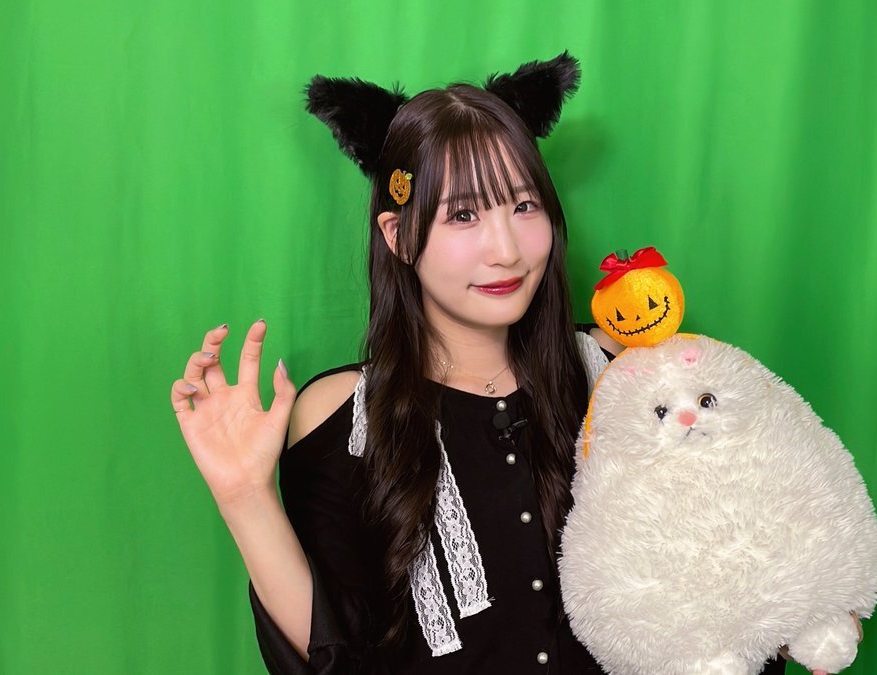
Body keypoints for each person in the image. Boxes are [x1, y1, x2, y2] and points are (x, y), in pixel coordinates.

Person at [171, 52, 790, 674]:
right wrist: (244, 496)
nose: (506, 251)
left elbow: (728, 566)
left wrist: (792, 605)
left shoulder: (628, 375)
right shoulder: (342, 416)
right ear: (398, 235)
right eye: (463, 215)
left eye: (523, 206)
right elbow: (339, 648)